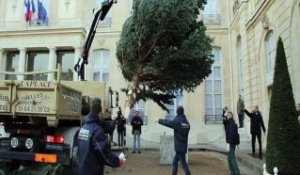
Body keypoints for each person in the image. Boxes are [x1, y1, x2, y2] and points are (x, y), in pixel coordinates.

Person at [78, 97, 125, 175]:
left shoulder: (83, 128)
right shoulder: (96, 130)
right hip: (92, 171)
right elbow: (103, 153)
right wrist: (118, 161)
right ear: (99, 112)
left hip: (82, 170)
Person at [157, 106, 191, 175]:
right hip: (183, 146)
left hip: (179, 146)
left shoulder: (178, 121)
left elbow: (168, 123)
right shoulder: (186, 122)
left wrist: (159, 120)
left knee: (183, 164)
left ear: (177, 112)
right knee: (175, 162)